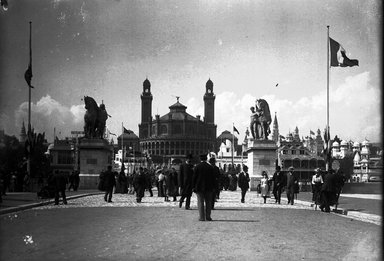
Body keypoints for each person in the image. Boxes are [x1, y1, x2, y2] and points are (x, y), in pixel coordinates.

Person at [192, 154, 215, 221]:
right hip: (209, 187)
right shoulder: (210, 167)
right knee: (208, 202)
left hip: (199, 187)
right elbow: (213, 178)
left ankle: (202, 217)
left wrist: (193, 186)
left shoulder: (197, 167)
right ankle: (208, 217)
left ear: (200, 159)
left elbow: (194, 178)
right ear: (206, 159)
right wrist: (214, 187)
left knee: (200, 202)